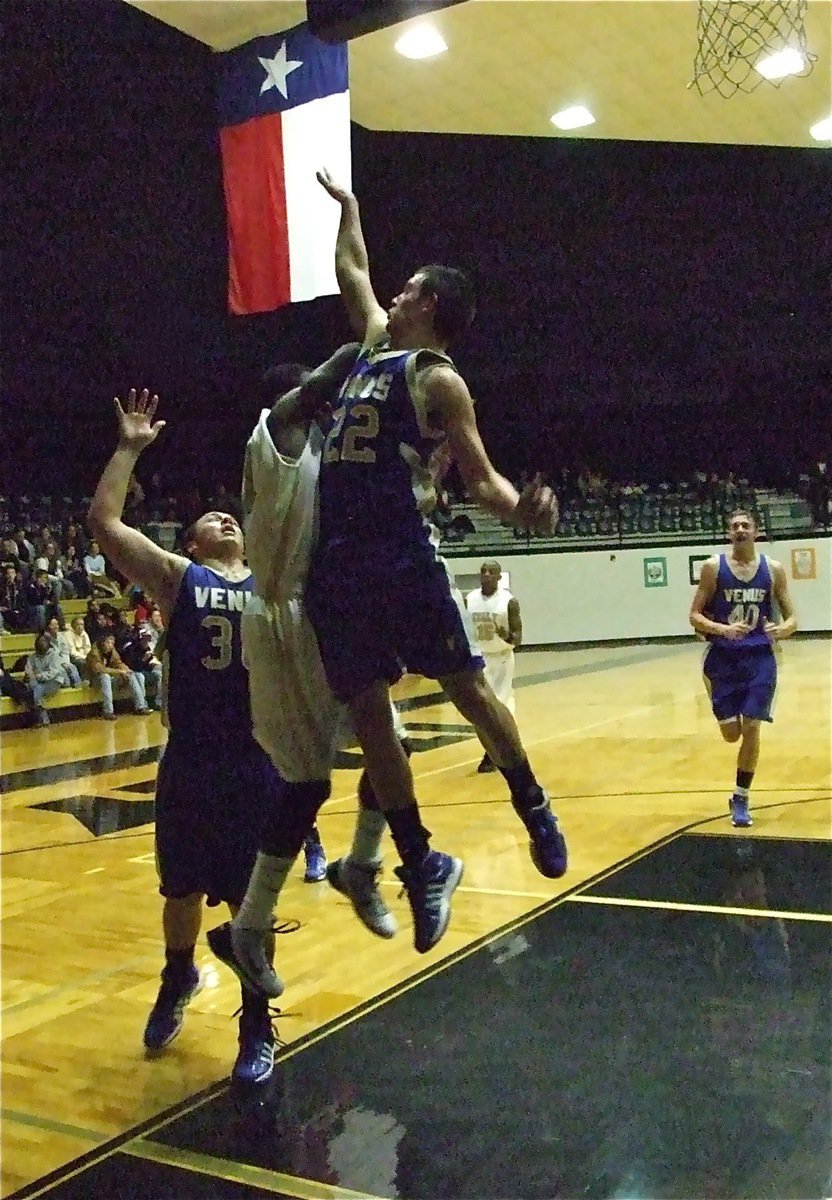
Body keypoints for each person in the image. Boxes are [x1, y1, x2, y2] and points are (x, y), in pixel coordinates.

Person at [305, 169, 567, 943]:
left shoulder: (439, 380)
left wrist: (524, 508)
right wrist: (351, 210)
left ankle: (533, 805)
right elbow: (352, 270)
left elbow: (481, 477)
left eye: (411, 288)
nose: (397, 292)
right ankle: (418, 861)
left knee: (469, 691)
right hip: (340, 565)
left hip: (398, 560)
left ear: (434, 307)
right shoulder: (374, 347)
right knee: (371, 718)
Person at [88, 388, 288, 1085]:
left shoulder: (274, 581)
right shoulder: (179, 579)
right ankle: (178, 976)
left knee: (247, 903)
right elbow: (105, 523)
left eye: (231, 516)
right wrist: (129, 449)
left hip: (256, 760)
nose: (223, 519)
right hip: (192, 760)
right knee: (180, 892)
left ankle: (258, 1021)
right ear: (192, 544)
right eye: (210, 518)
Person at [208, 349, 416, 999]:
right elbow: (328, 380)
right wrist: (377, 336)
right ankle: (268, 913)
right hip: (278, 621)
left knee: (365, 760)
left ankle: (350, 868)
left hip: (317, 614)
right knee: (311, 780)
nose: (328, 405)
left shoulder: (323, 462)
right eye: (314, 398)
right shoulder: (276, 435)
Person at [689, 509, 797, 828]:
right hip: (722, 659)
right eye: (734, 525)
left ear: (756, 532)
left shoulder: (773, 570)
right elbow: (694, 615)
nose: (740, 530)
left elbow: (792, 619)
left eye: (745, 525)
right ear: (728, 533)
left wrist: (782, 629)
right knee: (731, 734)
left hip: (760, 659)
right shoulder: (713, 568)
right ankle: (720, 704)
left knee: (752, 726)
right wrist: (722, 630)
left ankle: (741, 796)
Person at [465, 561, 522, 772]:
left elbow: (517, 638)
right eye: (483, 571)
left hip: (502, 657)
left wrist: (505, 635)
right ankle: (496, 749)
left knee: (500, 704)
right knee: (480, 706)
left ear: (499, 577)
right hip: (479, 657)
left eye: (491, 572)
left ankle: (497, 753)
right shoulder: (469, 599)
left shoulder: (508, 602)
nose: (486, 575)